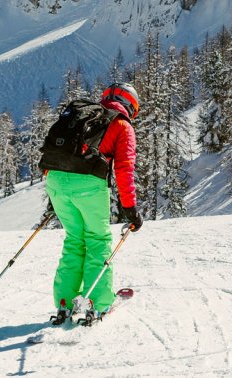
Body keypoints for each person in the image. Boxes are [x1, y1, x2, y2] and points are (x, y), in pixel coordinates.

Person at [43, 82, 144, 324]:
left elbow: (60, 155)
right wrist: (129, 208)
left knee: (75, 239)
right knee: (97, 240)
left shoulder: (83, 117)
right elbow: (124, 169)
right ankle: (97, 303)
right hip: (88, 186)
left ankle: (64, 303)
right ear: (131, 105)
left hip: (55, 182)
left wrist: (52, 200)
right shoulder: (121, 124)